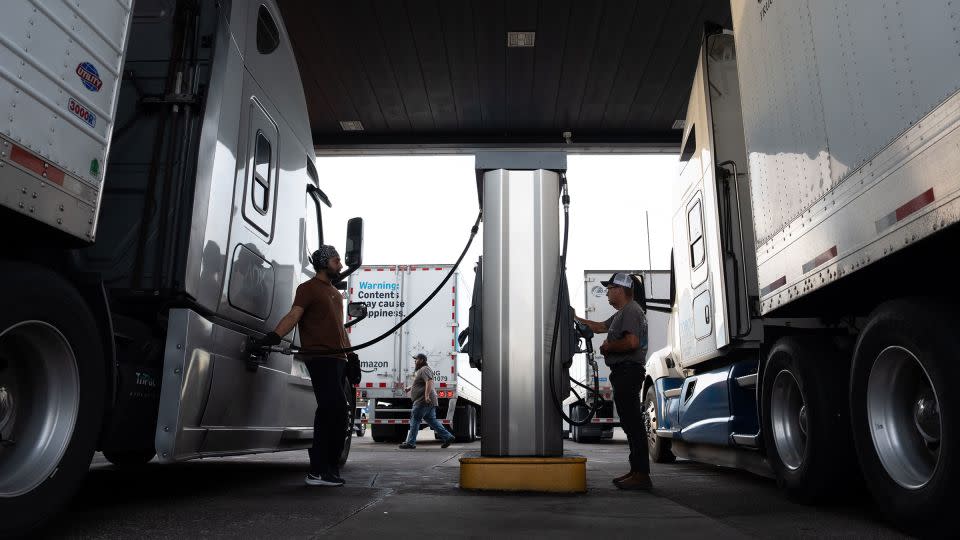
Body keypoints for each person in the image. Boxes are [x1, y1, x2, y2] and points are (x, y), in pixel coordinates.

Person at [256, 245, 351, 487]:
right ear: (323, 263)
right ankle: (319, 471)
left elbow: (340, 329)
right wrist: (274, 336)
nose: (340, 265)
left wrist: (353, 357)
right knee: (334, 410)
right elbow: (293, 316)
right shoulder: (307, 289)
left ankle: (324, 469)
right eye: (336, 260)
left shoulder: (335, 293)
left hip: (339, 359)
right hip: (320, 357)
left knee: (333, 413)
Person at [575, 272, 651, 490]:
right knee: (629, 423)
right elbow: (598, 327)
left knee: (633, 424)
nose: (607, 292)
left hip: (628, 371)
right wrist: (573, 317)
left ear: (620, 289)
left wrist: (608, 347)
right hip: (624, 373)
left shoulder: (630, 311)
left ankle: (641, 474)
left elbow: (632, 342)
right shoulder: (622, 313)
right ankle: (636, 470)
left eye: (609, 288)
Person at [399, 353, 455, 449]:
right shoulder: (423, 370)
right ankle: (448, 437)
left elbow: (429, 381)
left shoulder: (424, 369)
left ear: (421, 360)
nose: (415, 361)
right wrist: (409, 388)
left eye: (416, 359)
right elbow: (422, 383)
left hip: (422, 401)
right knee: (432, 421)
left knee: (415, 420)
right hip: (427, 401)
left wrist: (426, 395)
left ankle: (410, 443)